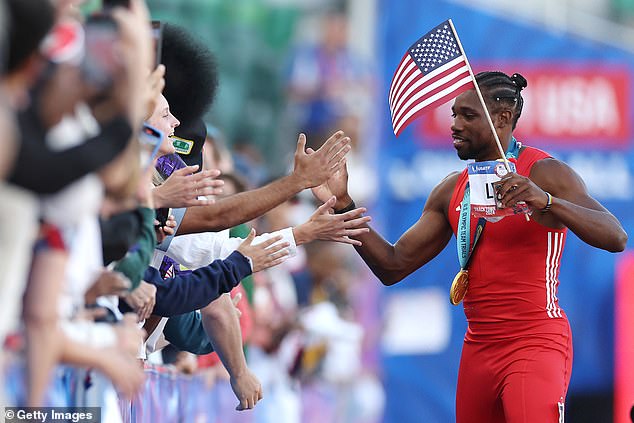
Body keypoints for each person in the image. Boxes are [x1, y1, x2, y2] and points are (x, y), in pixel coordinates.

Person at [312, 71, 628, 422]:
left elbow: (615, 237)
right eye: (454, 115)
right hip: (478, 346)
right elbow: (392, 264)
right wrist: (342, 202)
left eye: (468, 116)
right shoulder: (451, 189)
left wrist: (546, 201)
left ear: (502, 119)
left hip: (534, 340)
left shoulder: (544, 173)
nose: (455, 125)